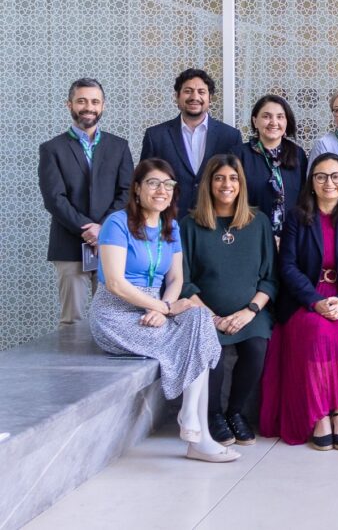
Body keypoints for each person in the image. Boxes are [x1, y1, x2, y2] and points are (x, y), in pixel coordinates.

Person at [88, 159, 235, 463]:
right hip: (116, 314)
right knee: (198, 338)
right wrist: (163, 307)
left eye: (168, 185)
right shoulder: (117, 223)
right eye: (153, 183)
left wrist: (163, 308)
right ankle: (198, 438)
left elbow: (176, 278)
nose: (161, 190)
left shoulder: (172, 226)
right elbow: (114, 282)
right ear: (137, 188)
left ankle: (190, 417)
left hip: (155, 308)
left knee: (199, 318)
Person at [259, 153, 338, 450]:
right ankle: (320, 413)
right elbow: (288, 266)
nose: (328, 182)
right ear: (311, 182)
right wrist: (314, 301)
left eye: (336, 176)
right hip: (306, 296)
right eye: (321, 176)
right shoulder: (297, 218)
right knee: (317, 332)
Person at [179, 155, 277, 447]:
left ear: (241, 184)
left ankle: (236, 412)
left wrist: (250, 311)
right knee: (215, 356)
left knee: (256, 348)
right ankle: (213, 415)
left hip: (250, 312)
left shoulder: (258, 223)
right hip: (204, 313)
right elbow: (183, 282)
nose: (227, 184)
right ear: (208, 183)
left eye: (233, 178)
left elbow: (270, 278)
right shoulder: (190, 225)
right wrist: (211, 317)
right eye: (219, 178)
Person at [38, 78, 133, 325]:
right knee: (73, 321)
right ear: (69, 104)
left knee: (113, 319)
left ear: (103, 106)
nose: (88, 107)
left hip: (112, 244)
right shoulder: (52, 149)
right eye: (81, 101)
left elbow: (127, 193)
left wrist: (103, 228)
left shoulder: (119, 146)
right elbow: (54, 199)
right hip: (69, 246)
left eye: (94, 101)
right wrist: (88, 229)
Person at [139, 69, 242, 214]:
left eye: (201, 92)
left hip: (215, 219)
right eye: (188, 91)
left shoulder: (230, 136)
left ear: (210, 98)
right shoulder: (156, 136)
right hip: (169, 220)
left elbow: (237, 182)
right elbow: (145, 181)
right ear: (177, 96)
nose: (195, 97)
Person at [237, 94, 308, 238]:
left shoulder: (297, 154)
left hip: (291, 237)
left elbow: (305, 197)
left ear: (286, 121)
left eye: (280, 117)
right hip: (251, 235)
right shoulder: (239, 155)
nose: (274, 122)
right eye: (266, 116)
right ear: (255, 121)